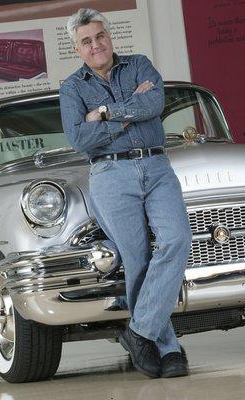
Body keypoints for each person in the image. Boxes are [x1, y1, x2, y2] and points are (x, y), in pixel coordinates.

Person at [59, 8, 192, 379]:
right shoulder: (72, 88)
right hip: (110, 174)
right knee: (137, 260)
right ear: (77, 49)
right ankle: (167, 349)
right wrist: (131, 111)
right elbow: (80, 139)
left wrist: (102, 112)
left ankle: (138, 332)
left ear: (109, 36)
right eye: (86, 41)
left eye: (99, 36)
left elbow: (154, 104)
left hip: (156, 166)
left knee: (178, 239)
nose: (96, 44)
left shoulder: (139, 65)